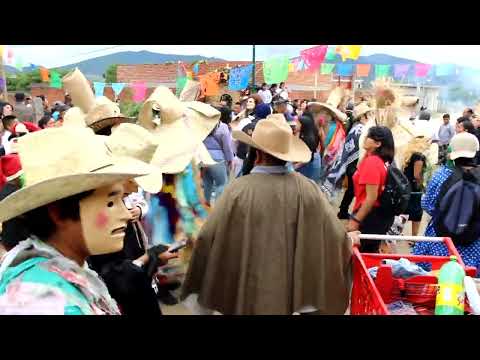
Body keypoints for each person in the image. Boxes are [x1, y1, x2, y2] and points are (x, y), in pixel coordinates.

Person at [180, 115, 357, 315]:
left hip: (246, 293)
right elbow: (335, 237)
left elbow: (207, 237)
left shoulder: (237, 191)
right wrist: (350, 240)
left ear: (256, 154)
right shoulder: (307, 189)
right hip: (290, 294)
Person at [0, 126, 155, 314]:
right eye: (111, 203)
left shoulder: (57, 269)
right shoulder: (46, 303)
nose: (124, 214)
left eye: (121, 200)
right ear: (57, 212)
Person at [413, 132, 480, 273]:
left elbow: (428, 205)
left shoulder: (441, 175)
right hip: (474, 245)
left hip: (441, 241)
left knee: (434, 280)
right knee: (469, 285)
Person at [347, 126, 396, 253]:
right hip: (375, 217)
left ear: (378, 143)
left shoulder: (373, 163)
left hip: (368, 217)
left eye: (368, 136)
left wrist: (356, 220)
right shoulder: (376, 160)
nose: (364, 138)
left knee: (360, 256)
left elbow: (371, 198)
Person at [335, 102, 375, 219]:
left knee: (352, 191)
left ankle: (343, 210)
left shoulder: (356, 127)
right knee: (355, 191)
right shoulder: (360, 129)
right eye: (368, 114)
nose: (370, 116)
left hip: (352, 163)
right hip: (355, 164)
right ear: (363, 116)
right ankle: (348, 212)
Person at [202, 119, 234, 206]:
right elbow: (227, 147)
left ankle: (205, 207)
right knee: (221, 184)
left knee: (207, 183)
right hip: (218, 158)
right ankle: (217, 209)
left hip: (204, 157)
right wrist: (230, 159)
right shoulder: (223, 127)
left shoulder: (202, 125)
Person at [402, 137, 430, 236]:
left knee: (404, 211)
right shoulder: (419, 156)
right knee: (417, 214)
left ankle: (397, 233)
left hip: (406, 186)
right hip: (414, 188)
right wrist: (422, 185)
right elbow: (417, 175)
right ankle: (414, 237)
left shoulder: (409, 155)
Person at [295, 114, 321, 182]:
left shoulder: (309, 139)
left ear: (303, 125)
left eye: (298, 123)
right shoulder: (301, 134)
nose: (296, 125)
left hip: (307, 165)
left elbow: (308, 158)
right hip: (302, 163)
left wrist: (295, 167)